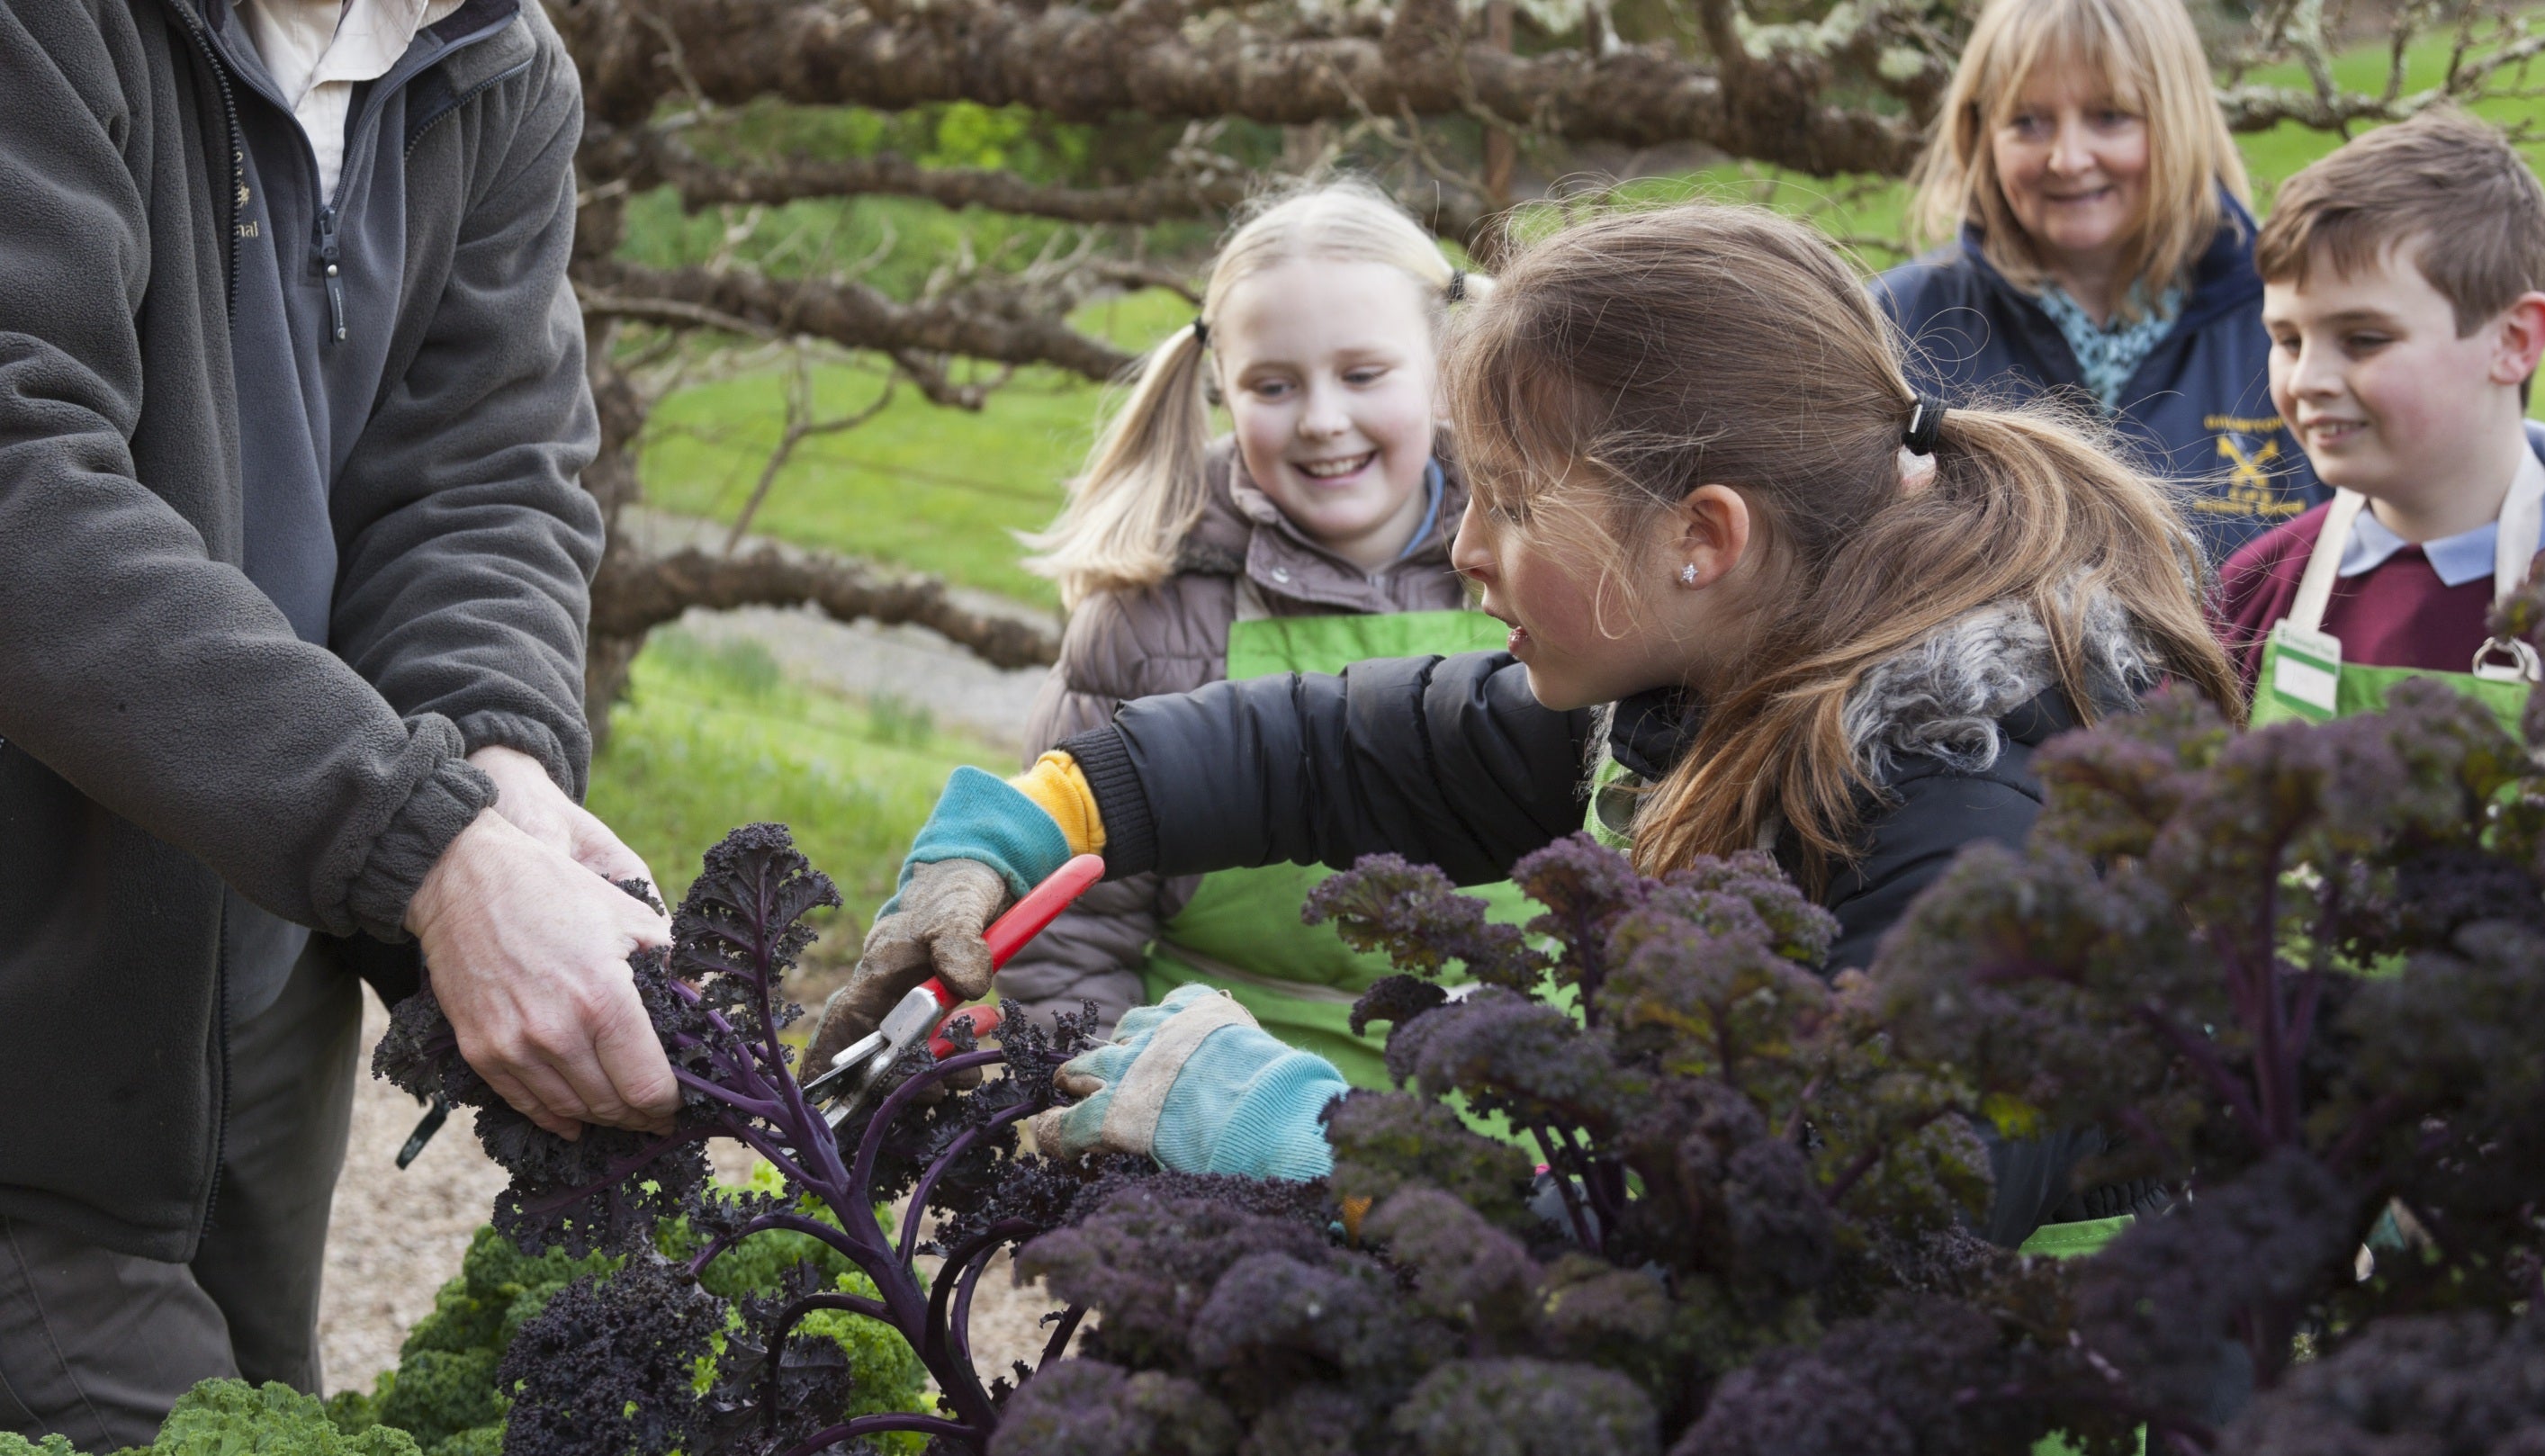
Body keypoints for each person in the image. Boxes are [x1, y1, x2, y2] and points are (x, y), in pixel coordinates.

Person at [813, 202, 2242, 1248]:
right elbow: (1350, 741)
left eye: (1506, 496)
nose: (1470, 547)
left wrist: (1324, 1143)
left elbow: (1819, 1245)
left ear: (1702, 536)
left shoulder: (1980, 820)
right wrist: (1046, 811)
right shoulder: (1735, 665)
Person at [1, 3, 676, 1445]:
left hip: (255, 979)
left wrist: (495, 767)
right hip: (26, 1025)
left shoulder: (495, 64)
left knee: (265, 1398)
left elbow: (477, 478)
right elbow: (18, 489)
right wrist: (430, 850)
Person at [994, 183, 1515, 1087]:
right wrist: (1112, 1115)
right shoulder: (1152, 612)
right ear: (1221, 387)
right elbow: (1069, 928)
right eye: (1273, 386)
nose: (1321, 419)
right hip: (1227, 1099)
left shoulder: (1542, 561)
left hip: (1524, 1106)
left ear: (1444, 365)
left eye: (1363, 374)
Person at [1879, 0, 2325, 562]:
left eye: (2109, 116)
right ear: (1982, 133)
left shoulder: (2291, 323)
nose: (2067, 158)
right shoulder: (1896, 327)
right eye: (2028, 122)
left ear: (2177, 120)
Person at [2218, 109, 2545, 733]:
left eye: (2362, 338)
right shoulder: (2256, 589)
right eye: (2289, 340)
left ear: (2514, 340)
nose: (2307, 380)